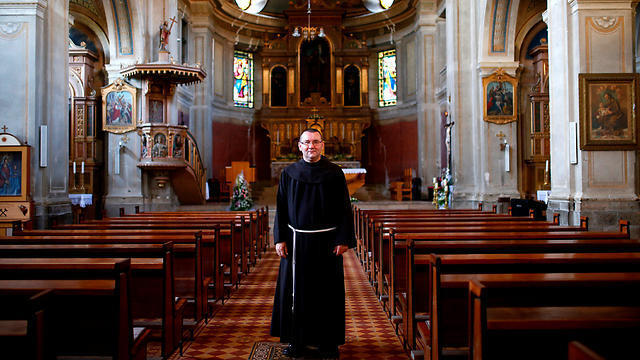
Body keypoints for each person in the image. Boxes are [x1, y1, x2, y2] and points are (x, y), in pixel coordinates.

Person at [271, 128, 355, 359]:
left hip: (328, 243)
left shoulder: (335, 173)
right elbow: (281, 208)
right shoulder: (289, 173)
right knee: (295, 294)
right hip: (297, 242)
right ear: (299, 146)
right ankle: (296, 341)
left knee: (327, 293)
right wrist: (279, 238)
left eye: (316, 142)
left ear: (322, 145)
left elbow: (344, 209)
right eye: (307, 142)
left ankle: (328, 343)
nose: (311, 146)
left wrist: (343, 239)